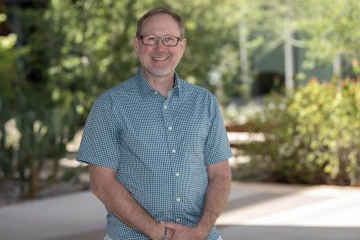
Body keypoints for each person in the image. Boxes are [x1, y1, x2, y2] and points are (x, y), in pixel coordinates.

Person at [76, 7, 233, 240]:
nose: (160, 48)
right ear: (136, 45)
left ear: (182, 46)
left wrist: (200, 231)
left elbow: (220, 174)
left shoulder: (205, 102)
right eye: (151, 39)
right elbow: (101, 182)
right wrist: (161, 234)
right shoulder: (109, 105)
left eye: (169, 39)